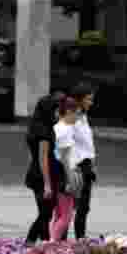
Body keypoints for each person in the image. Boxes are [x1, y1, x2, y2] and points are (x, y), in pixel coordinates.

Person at [24, 93, 61, 245]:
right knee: (46, 212)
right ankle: (30, 240)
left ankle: (45, 242)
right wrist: (47, 184)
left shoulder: (35, 127)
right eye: (56, 110)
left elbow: (32, 156)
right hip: (43, 175)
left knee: (44, 212)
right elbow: (43, 157)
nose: (58, 114)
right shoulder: (44, 132)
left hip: (35, 172)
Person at [48, 95, 83, 242]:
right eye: (77, 113)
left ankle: (51, 240)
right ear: (69, 111)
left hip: (55, 173)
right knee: (66, 215)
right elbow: (65, 158)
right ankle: (52, 244)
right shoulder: (65, 130)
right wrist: (71, 180)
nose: (78, 117)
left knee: (57, 214)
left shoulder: (56, 127)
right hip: (64, 174)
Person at [70, 83, 96, 241]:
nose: (91, 103)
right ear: (79, 100)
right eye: (88, 99)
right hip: (76, 165)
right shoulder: (71, 118)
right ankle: (62, 240)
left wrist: (92, 163)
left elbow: (87, 143)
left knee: (84, 207)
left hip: (86, 165)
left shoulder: (84, 117)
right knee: (70, 208)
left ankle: (81, 238)